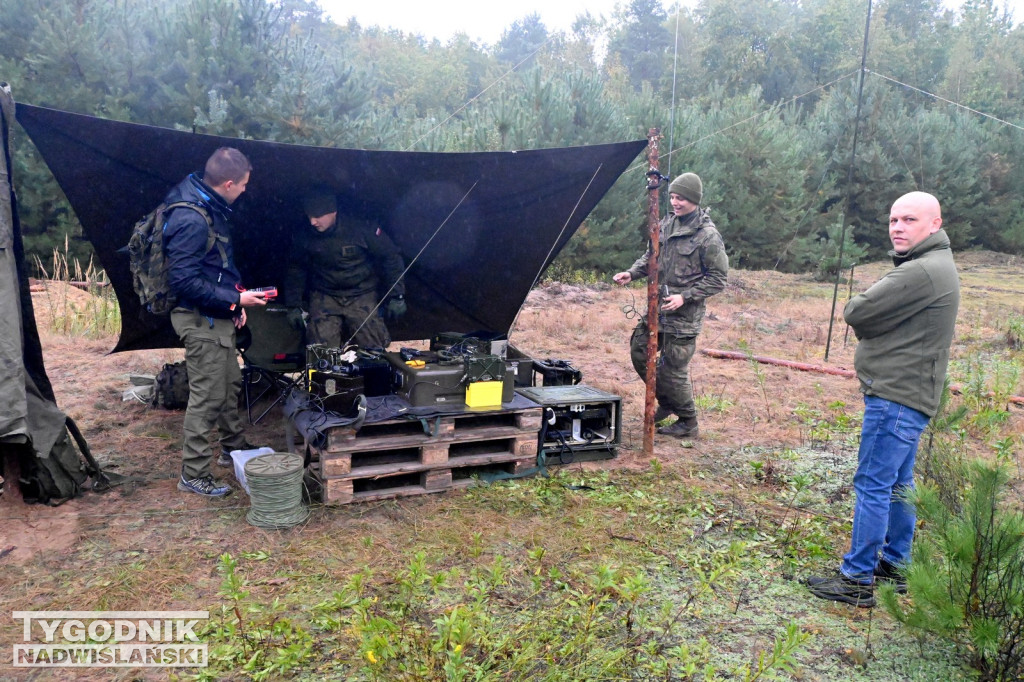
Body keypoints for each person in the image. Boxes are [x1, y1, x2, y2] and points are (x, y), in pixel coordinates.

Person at [807, 191, 960, 607]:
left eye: (908, 220)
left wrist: (874, 321)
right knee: (898, 485)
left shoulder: (921, 271)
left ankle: (856, 578)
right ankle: (896, 565)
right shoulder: (934, 265)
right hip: (911, 392)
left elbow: (857, 311)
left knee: (873, 483)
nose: (897, 228)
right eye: (893, 220)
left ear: (934, 223)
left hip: (895, 394)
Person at [164, 147, 268, 497]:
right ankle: (192, 474)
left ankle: (232, 447)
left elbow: (215, 267)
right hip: (198, 319)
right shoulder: (191, 218)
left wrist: (232, 304)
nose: (244, 191)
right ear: (227, 183)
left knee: (229, 385)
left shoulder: (207, 201)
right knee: (207, 396)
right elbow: (183, 281)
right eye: (242, 185)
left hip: (216, 313)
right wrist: (236, 299)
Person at [612, 172, 728, 438]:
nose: (676, 203)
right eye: (673, 197)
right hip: (657, 308)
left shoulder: (708, 236)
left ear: (695, 200)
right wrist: (632, 272)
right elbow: (652, 254)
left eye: (682, 199)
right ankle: (667, 402)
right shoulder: (667, 224)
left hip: (684, 315)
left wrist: (685, 296)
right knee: (640, 351)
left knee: (673, 368)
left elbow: (719, 279)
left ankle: (688, 421)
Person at [283, 189, 406, 349]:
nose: (313, 222)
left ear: (333, 212)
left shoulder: (361, 228)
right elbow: (295, 269)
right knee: (320, 350)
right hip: (325, 294)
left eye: (318, 216)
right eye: (309, 216)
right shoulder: (304, 236)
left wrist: (397, 295)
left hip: (361, 292)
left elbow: (391, 257)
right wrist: (293, 305)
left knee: (373, 348)